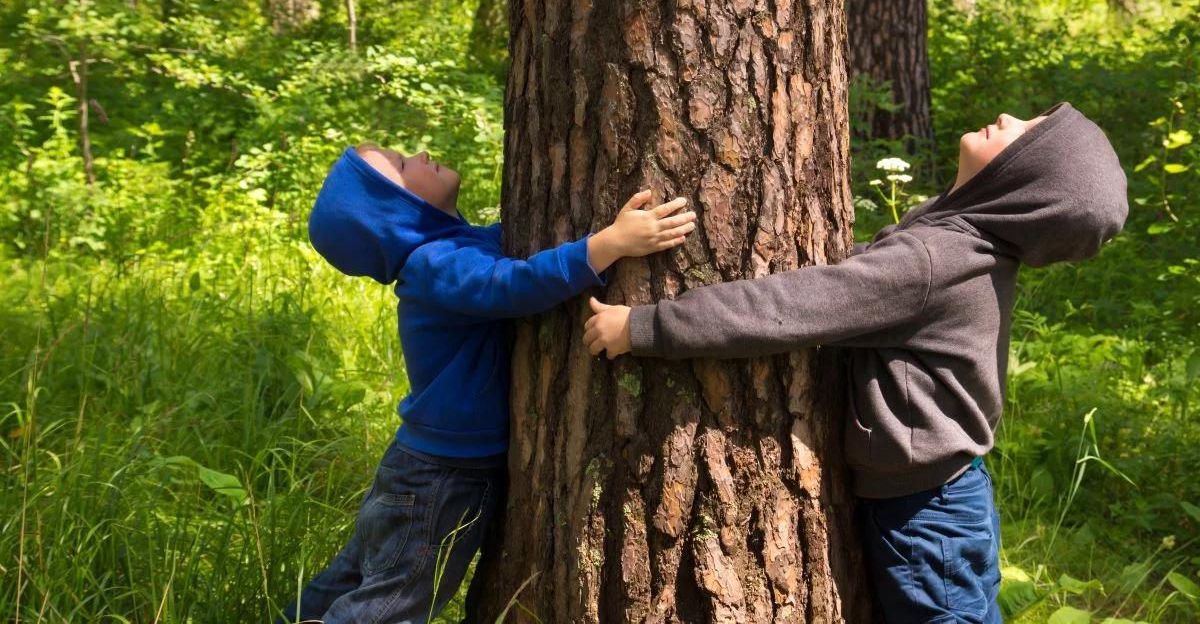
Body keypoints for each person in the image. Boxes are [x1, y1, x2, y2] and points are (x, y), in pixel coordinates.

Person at [582, 102, 1128, 623]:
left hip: (928, 515)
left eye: (1026, 133)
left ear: (1021, 183)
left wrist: (644, 326)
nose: (1010, 117)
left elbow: (787, 307)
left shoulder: (934, 262)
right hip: (938, 500)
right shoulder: (957, 245)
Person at [279, 144, 696, 623]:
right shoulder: (435, 264)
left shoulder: (452, 250)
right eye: (400, 165)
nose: (419, 153)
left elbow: (516, 262)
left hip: (425, 466)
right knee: (394, 601)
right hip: (442, 476)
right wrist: (608, 245)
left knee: (357, 579)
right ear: (395, 213)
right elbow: (510, 285)